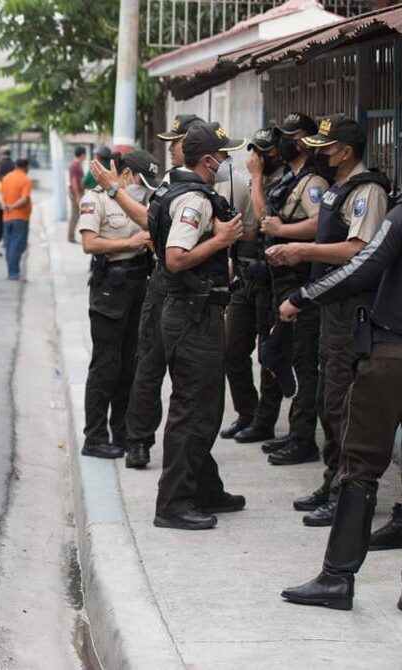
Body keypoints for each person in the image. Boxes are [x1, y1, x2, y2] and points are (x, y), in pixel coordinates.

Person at [266, 115, 390, 527]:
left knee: (342, 404)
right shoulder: (339, 188)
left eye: (327, 146)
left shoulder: (367, 191)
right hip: (330, 306)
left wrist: (302, 251)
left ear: (347, 151)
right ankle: (330, 481)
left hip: (351, 308)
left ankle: (343, 492)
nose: (319, 152)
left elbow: (359, 250)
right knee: (326, 396)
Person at [278, 202, 402, 611]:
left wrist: (304, 295)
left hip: (392, 354)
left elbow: (365, 264)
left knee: (360, 465)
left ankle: (337, 578)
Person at [90, 113, 204, 469]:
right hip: (150, 285)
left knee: (176, 372)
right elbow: (141, 227)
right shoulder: (166, 184)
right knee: (140, 365)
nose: (171, 148)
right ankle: (133, 439)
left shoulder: (212, 182)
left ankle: (165, 444)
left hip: (188, 288)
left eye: (177, 142)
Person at [149, 122, 246, 530]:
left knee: (204, 405)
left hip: (191, 311)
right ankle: (173, 504)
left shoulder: (180, 191)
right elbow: (175, 257)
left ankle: (206, 489)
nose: (226, 162)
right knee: (194, 409)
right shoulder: (194, 200)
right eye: (223, 156)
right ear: (208, 160)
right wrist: (221, 241)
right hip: (193, 315)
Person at [255, 113, 328, 469]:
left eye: (292, 136)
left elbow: (318, 224)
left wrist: (283, 230)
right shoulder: (290, 178)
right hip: (281, 277)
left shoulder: (314, 181)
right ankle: (296, 430)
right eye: (283, 135)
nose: (285, 141)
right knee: (280, 353)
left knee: (302, 360)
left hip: (301, 279)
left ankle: (303, 438)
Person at [78, 151, 161, 459]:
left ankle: (123, 431)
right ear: (125, 174)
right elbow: (90, 243)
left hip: (139, 286)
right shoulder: (95, 199)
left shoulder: (142, 204)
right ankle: (95, 436)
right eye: (140, 180)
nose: (143, 187)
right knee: (105, 366)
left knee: (131, 365)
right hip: (109, 290)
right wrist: (130, 243)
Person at [218, 127, 285, 444]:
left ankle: (264, 420)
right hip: (244, 275)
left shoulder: (283, 182)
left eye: (264, 152)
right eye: (254, 151)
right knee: (232, 350)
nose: (256, 158)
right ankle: (247, 411)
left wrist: (257, 178)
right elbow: (246, 230)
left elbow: (264, 220)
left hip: (270, 282)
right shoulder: (249, 182)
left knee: (267, 353)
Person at [0, 157, 32, 281]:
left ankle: (11, 271)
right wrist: (13, 207)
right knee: (17, 245)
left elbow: (1, 195)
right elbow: (24, 199)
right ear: (26, 166)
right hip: (20, 217)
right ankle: (14, 273)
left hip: (6, 217)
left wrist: (5, 205)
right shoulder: (25, 179)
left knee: (9, 245)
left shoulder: (6, 178)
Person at [68, 147, 87, 243]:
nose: (86, 157)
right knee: (75, 215)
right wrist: (78, 196)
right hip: (76, 193)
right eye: (85, 154)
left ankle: (71, 236)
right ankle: (70, 237)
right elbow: (74, 182)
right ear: (82, 154)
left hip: (78, 192)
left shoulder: (77, 165)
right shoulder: (75, 165)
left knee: (78, 215)